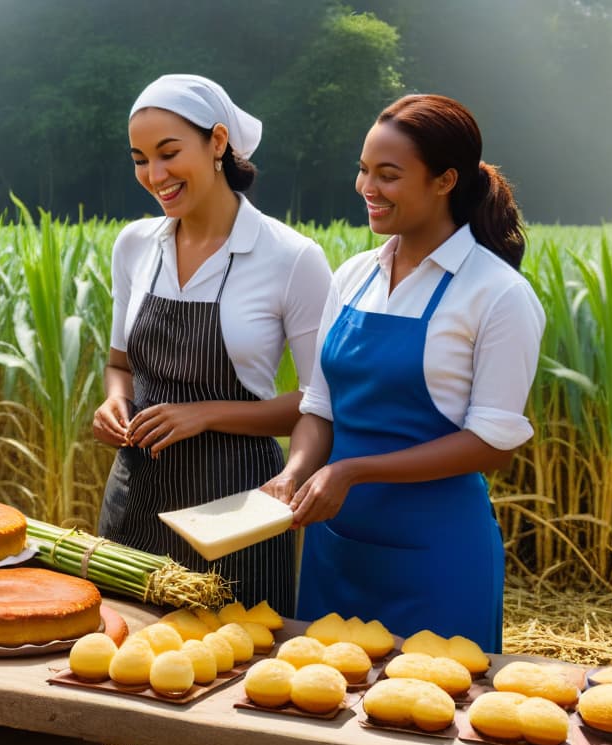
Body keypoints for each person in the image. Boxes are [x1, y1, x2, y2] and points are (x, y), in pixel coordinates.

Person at [262, 94, 545, 652]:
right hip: (335, 548)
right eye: (364, 170)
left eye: (388, 175)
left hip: (435, 556)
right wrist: (295, 472)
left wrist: (350, 472)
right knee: (319, 713)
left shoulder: (497, 293)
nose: (368, 187)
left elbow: (491, 444)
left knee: (431, 716)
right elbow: (320, 407)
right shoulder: (352, 276)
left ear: (444, 181)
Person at [93, 74, 332, 614]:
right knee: (121, 667)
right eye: (139, 158)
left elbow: (322, 402)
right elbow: (119, 364)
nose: (154, 176)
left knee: (235, 670)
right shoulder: (134, 245)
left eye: (169, 153)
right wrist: (114, 399)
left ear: (218, 142)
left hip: (239, 509)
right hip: (136, 499)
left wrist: (204, 414)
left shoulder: (290, 257)